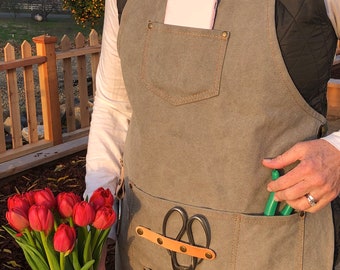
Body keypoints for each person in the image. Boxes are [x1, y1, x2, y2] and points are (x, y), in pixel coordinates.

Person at [84, 0, 340, 269]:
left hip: (271, 250)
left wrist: (335, 154)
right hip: (143, 250)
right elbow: (113, 106)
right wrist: (96, 231)